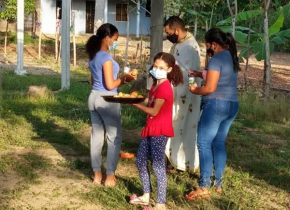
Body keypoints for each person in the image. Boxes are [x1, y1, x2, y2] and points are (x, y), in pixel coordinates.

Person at [185, 28, 240, 200]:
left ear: (214, 45)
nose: (207, 49)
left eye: (208, 45)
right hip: (232, 105)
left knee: (203, 143)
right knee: (218, 143)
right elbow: (220, 77)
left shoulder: (216, 59)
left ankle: (203, 186)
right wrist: (199, 73)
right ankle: (218, 184)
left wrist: (195, 90)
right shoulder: (231, 56)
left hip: (216, 104)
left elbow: (209, 88)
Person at [129, 52, 183, 210]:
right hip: (151, 128)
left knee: (158, 166)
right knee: (140, 160)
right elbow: (149, 101)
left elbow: (153, 111)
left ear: (169, 69)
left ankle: (161, 204)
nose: (157, 69)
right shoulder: (155, 85)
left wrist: (134, 104)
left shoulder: (165, 87)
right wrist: (136, 98)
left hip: (160, 131)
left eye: (161, 67)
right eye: (155, 66)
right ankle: (146, 195)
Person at [85, 23, 136, 187]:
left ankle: (97, 175)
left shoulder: (93, 56)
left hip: (93, 97)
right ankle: (110, 176)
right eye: (115, 39)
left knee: (96, 136)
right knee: (114, 137)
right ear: (107, 38)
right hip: (107, 99)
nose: (115, 42)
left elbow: (93, 80)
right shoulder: (106, 58)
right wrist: (125, 78)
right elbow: (110, 84)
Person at [163, 16, 201, 172]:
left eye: (169, 32)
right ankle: (173, 160)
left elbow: (189, 75)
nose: (168, 36)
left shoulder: (190, 47)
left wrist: (180, 93)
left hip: (184, 96)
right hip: (176, 92)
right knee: (175, 125)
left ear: (177, 30)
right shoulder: (180, 44)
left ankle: (179, 162)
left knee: (182, 126)